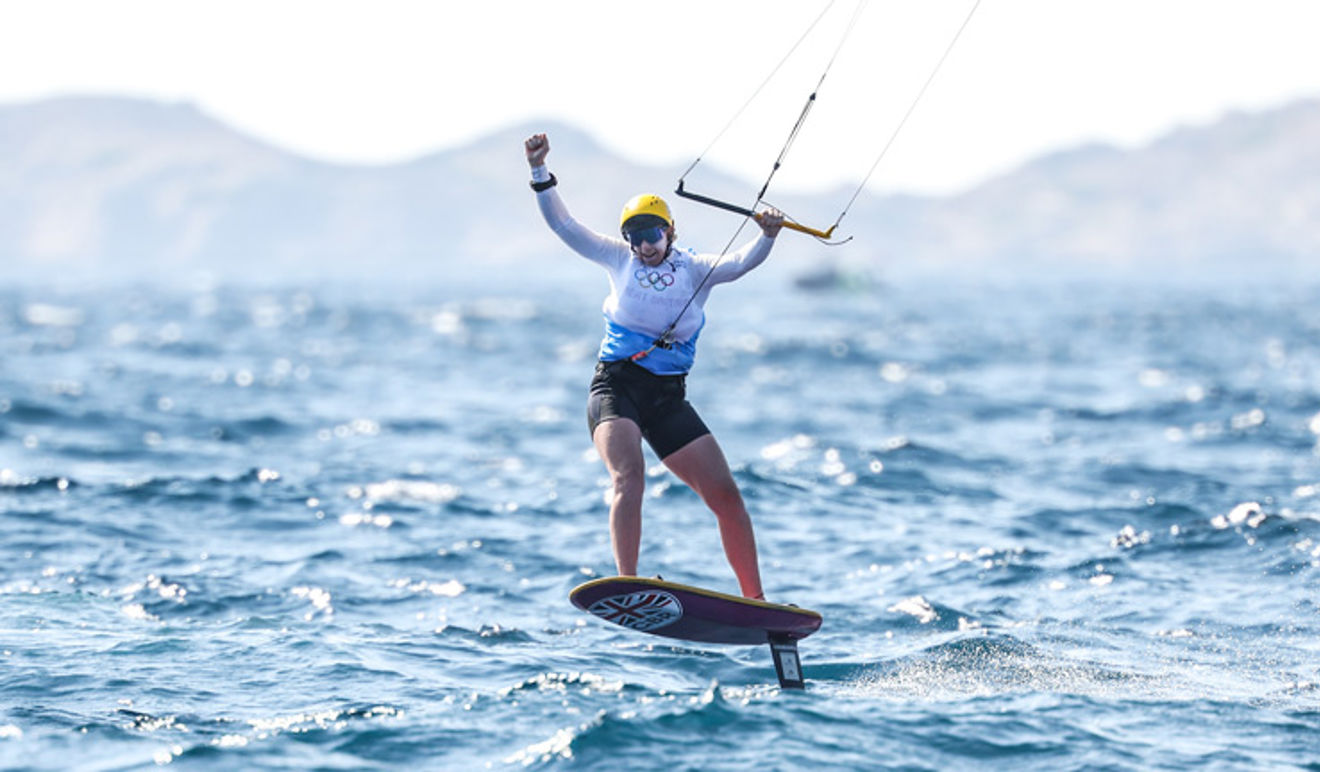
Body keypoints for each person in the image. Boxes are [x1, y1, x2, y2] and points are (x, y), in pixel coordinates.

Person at [524, 132, 784, 600]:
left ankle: (755, 600)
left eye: (653, 234)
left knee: (726, 496)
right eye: (635, 236)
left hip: (667, 397)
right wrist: (540, 172)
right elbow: (564, 226)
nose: (644, 245)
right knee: (629, 473)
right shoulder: (616, 258)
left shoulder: (695, 268)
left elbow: (743, 262)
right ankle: (627, 580)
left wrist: (766, 234)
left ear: (670, 232)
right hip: (616, 388)